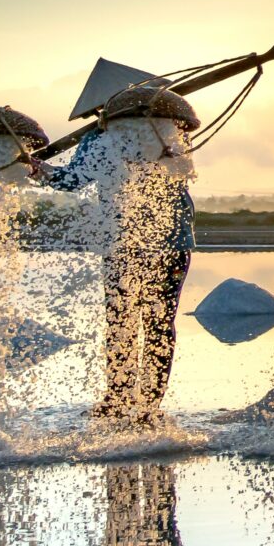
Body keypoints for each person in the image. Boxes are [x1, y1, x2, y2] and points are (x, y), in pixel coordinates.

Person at [32, 84, 199, 422]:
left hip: (139, 242)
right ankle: (142, 403)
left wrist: (38, 169)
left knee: (124, 319)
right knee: (158, 322)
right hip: (161, 243)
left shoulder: (102, 137)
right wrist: (39, 169)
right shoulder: (167, 129)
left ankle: (124, 400)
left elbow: (71, 181)